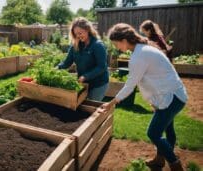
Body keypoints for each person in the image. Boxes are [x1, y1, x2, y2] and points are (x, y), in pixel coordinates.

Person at [98, 23, 187, 171]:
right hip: (171, 95)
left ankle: (175, 165)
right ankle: (159, 161)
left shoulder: (139, 55)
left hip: (172, 98)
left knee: (153, 133)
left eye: (116, 44)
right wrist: (155, 102)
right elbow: (155, 78)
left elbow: (130, 85)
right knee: (168, 130)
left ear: (124, 40)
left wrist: (111, 103)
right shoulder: (143, 50)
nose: (116, 47)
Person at [57, 17, 109, 101]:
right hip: (84, 83)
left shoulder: (97, 45)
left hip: (98, 84)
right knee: (81, 106)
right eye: (75, 34)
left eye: (80, 33)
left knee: (91, 106)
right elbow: (67, 62)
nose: (78, 36)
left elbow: (101, 67)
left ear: (88, 30)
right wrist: (57, 68)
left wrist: (85, 76)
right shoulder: (75, 45)